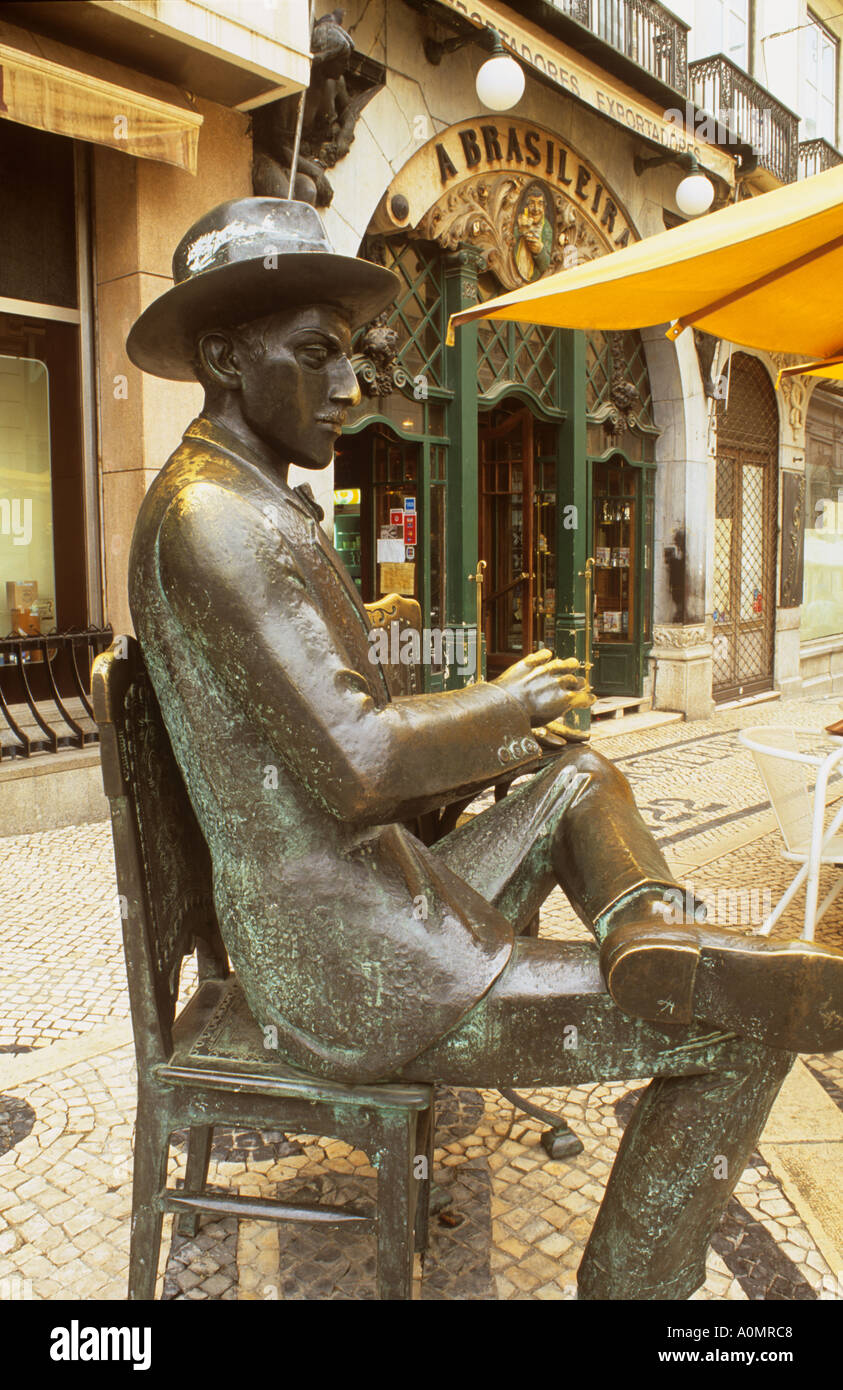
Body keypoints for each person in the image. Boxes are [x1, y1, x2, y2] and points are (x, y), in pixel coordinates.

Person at [126, 197, 843, 1299]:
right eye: (316, 356)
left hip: (371, 894)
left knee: (575, 779)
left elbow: (340, 742)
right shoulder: (217, 517)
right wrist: (499, 713)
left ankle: (652, 933)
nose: (352, 386)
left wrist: (496, 731)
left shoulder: (246, 496)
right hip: (345, 960)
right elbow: (360, 762)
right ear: (223, 355)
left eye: (353, 356)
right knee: (737, 1034)